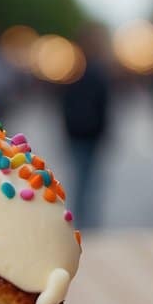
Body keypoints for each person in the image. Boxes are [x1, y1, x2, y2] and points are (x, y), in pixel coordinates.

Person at [59, 37, 110, 229]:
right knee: (88, 174)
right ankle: (86, 216)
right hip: (90, 132)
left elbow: (64, 105)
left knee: (81, 173)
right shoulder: (98, 76)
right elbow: (104, 106)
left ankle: (81, 214)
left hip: (77, 132)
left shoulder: (72, 75)